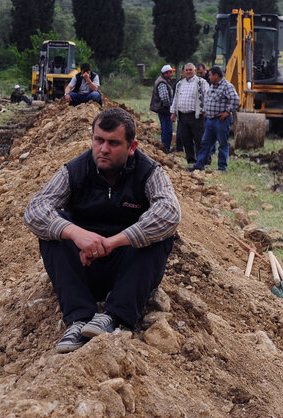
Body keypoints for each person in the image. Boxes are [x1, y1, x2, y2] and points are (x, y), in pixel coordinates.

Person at [24, 108, 181, 354]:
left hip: (128, 269)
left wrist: (113, 242)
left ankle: (114, 317)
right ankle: (79, 319)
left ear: (132, 146)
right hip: (83, 265)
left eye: (113, 143)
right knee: (54, 227)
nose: (103, 149)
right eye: (99, 140)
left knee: (161, 233)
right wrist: (76, 234)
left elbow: (169, 212)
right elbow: (35, 209)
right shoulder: (75, 170)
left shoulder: (150, 172)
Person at [192, 66, 240, 172]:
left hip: (221, 121)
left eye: (210, 75)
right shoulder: (213, 86)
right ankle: (199, 165)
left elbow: (236, 100)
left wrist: (227, 112)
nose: (209, 77)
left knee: (222, 143)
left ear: (216, 75)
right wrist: (205, 110)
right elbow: (208, 100)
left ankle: (222, 167)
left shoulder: (227, 86)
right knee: (205, 143)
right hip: (210, 120)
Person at [170, 63, 208, 167]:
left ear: (195, 71)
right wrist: (173, 113)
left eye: (190, 69)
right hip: (182, 116)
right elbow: (175, 99)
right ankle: (191, 161)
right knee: (186, 140)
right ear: (184, 72)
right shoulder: (180, 84)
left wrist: (205, 110)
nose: (188, 72)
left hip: (196, 116)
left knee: (199, 139)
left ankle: (202, 162)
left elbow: (207, 97)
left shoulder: (201, 82)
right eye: (186, 70)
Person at [149, 64, 176, 153]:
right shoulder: (162, 83)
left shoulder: (162, 81)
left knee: (165, 129)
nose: (172, 74)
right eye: (170, 72)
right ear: (165, 73)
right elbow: (164, 98)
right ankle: (166, 149)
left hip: (162, 109)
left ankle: (164, 147)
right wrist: (170, 107)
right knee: (167, 130)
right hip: (164, 110)